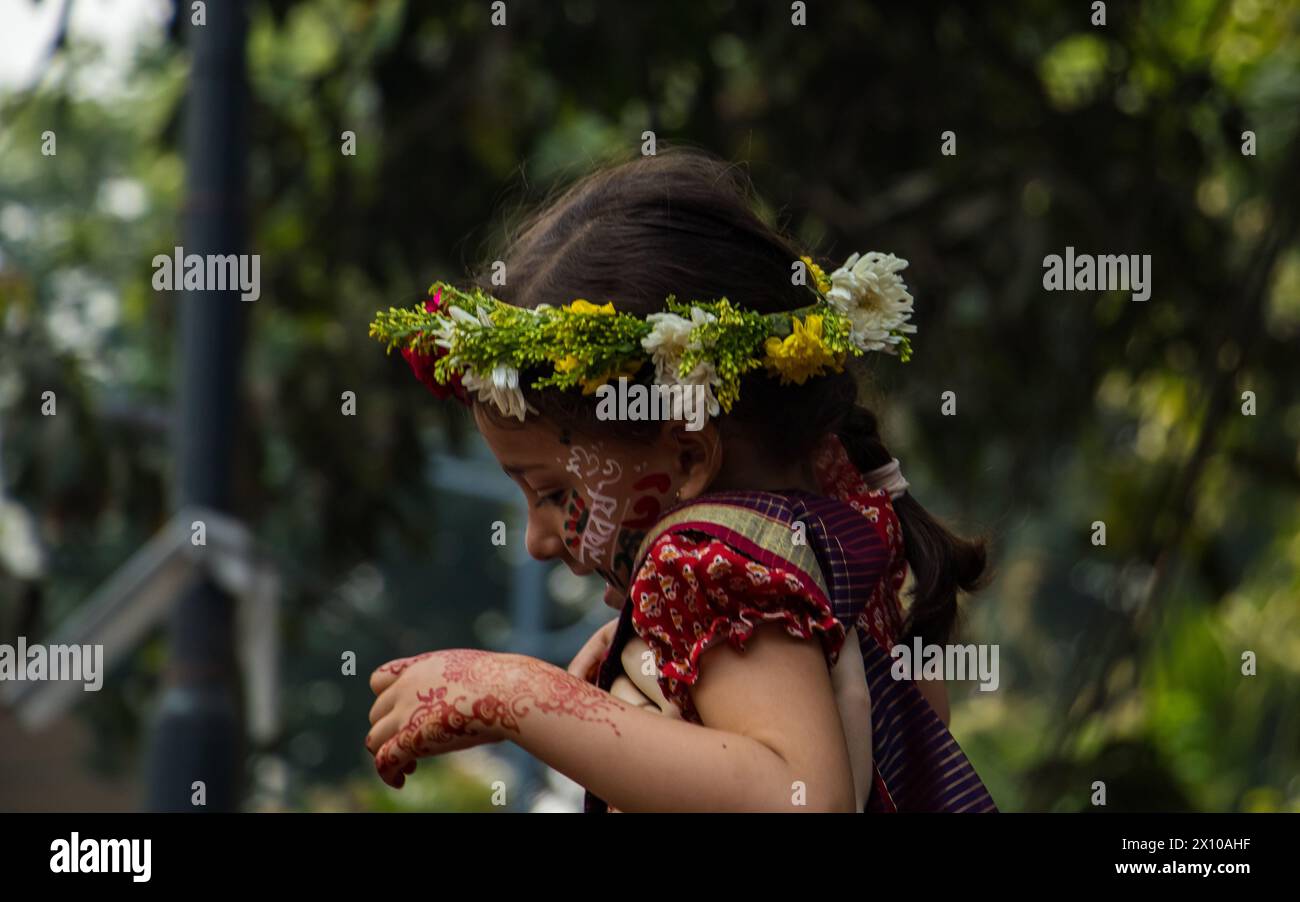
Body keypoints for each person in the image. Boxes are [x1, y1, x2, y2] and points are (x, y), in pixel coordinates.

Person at [364, 147, 995, 812]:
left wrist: (517, 696)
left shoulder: (705, 563)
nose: (538, 541)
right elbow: (920, 722)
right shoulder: (827, 534)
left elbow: (799, 799)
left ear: (691, 458)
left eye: (553, 493)